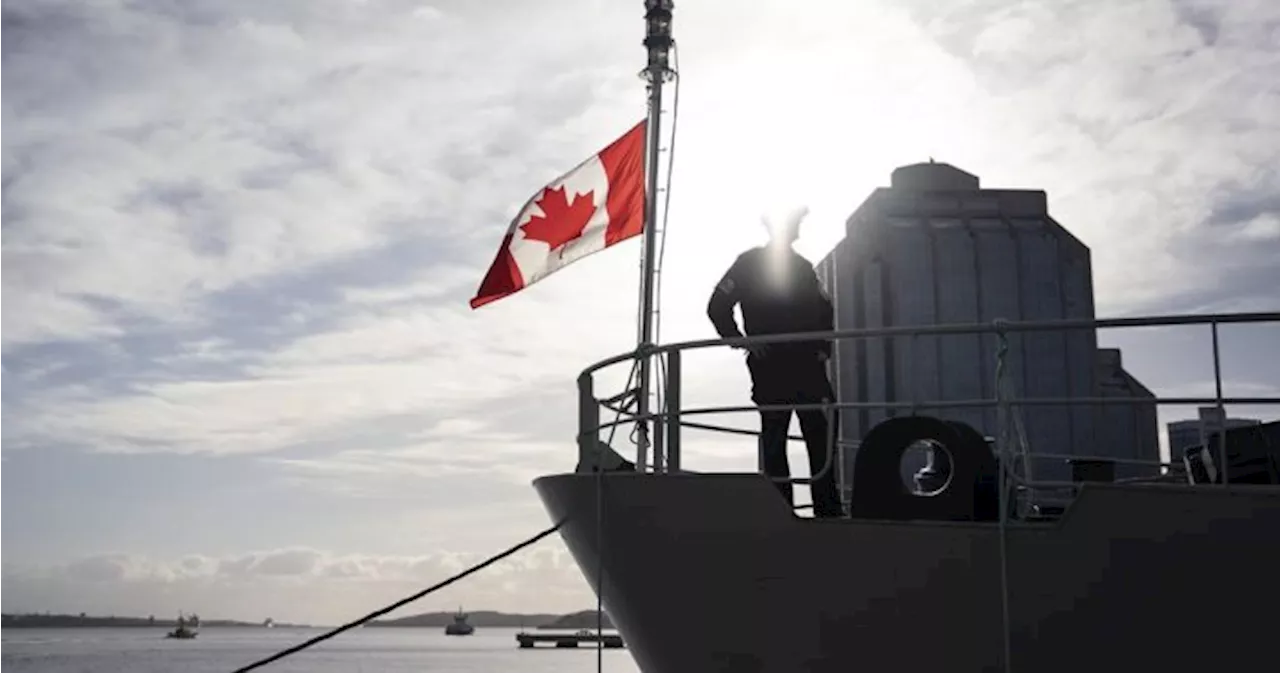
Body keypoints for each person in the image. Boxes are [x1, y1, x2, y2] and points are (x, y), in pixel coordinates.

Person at [706, 208, 843, 518]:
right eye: (795, 223)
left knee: (820, 437)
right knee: (776, 438)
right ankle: (785, 509)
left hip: (807, 368)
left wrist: (823, 347)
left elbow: (824, 310)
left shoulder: (803, 268)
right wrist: (740, 340)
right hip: (774, 368)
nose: (798, 229)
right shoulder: (748, 264)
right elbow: (717, 306)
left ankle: (825, 509)